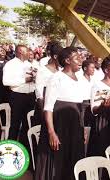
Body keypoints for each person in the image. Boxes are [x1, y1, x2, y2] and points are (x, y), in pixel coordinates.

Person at [35, 47, 85, 180]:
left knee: (73, 159)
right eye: (77, 57)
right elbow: (48, 108)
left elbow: (79, 105)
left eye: (81, 56)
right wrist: (52, 133)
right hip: (60, 125)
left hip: (75, 125)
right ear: (67, 60)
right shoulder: (56, 78)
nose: (81, 60)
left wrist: (82, 127)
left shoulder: (79, 78)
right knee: (58, 162)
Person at [3, 45, 36, 150]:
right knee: (15, 123)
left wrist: (35, 78)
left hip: (30, 96)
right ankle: (11, 148)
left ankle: (24, 148)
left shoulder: (28, 64)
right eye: (27, 52)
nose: (29, 54)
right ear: (21, 52)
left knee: (28, 123)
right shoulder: (10, 64)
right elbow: (6, 81)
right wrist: (24, 80)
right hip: (18, 97)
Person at [34, 43, 62, 127]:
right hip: (45, 106)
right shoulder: (43, 70)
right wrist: (44, 112)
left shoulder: (60, 70)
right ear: (55, 57)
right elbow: (39, 93)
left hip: (58, 106)